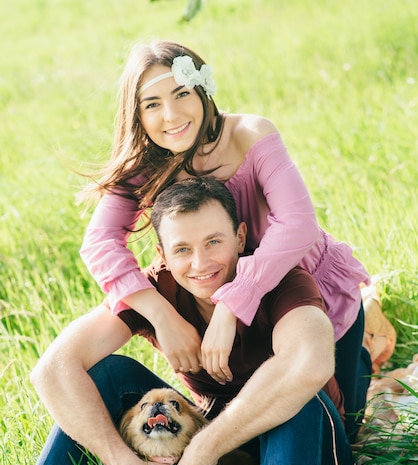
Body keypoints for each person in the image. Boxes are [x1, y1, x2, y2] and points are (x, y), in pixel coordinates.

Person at [1, 178, 368, 465]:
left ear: (241, 236)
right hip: (224, 432)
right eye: (182, 250)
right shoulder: (159, 290)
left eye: (214, 242)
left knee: (294, 388)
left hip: (309, 440)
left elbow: (310, 364)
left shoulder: (283, 282)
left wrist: (203, 451)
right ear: (162, 253)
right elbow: (52, 369)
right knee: (106, 374)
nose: (200, 263)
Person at [78, 39, 372, 441]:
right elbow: (99, 243)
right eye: (152, 104)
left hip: (305, 297)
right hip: (226, 304)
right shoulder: (145, 166)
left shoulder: (250, 133)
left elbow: (298, 225)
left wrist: (233, 301)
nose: (171, 115)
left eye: (182, 93)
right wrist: (163, 316)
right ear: (137, 116)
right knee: (250, 422)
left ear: (202, 91)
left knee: (339, 428)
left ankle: (360, 355)